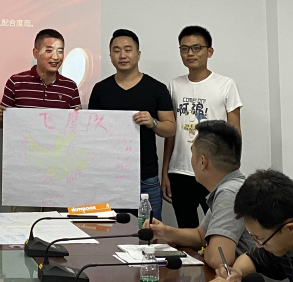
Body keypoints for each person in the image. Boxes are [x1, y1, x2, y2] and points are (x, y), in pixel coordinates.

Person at [88, 29, 175, 221]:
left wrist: (152, 122)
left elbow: (171, 128)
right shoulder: (101, 89)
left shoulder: (156, 88)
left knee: (149, 231)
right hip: (108, 177)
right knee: (109, 232)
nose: (122, 55)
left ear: (138, 54)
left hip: (146, 177)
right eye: (116, 50)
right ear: (110, 56)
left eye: (128, 50)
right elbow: (91, 132)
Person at [0, 28, 82, 212]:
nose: (56, 57)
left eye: (60, 51)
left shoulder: (70, 87)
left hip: (59, 170)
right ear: (35, 52)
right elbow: (2, 124)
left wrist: (79, 121)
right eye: (49, 50)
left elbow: (76, 130)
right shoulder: (16, 82)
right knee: (23, 223)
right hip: (24, 170)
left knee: (57, 223)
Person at [162, 25, 243, 228]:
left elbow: (235, 132)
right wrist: (165, 171)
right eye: (184, 48)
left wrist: (232, 174)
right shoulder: (174, 85)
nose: (190, 53)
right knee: (186, 230)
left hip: (214, 171)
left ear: (210, 51)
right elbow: (171, 133)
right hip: (180, 171)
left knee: (218, 229)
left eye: (196, 48)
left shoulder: (226, 85)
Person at [147, 120, 253, 270]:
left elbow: (219, 259)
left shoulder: (230, 193)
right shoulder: (231, 187)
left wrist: (206, 248)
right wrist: (165, 231)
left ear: (203, 162)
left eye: (192, 153)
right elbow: (200, 236)